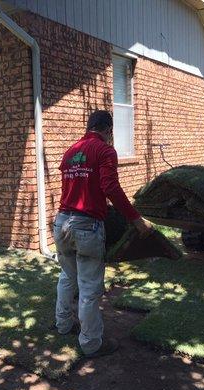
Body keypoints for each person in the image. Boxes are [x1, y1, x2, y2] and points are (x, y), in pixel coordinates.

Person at [53, 109, 152, 358]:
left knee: (67, 276)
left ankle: (63, 325)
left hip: (62, 222)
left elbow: (77, 186)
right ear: (108, 130)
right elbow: (109, 186)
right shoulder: (106, 151)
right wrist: (135, 218)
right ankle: (91, 343)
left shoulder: (70, 151)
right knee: (89, 288)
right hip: (86, 226)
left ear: (89, 127)